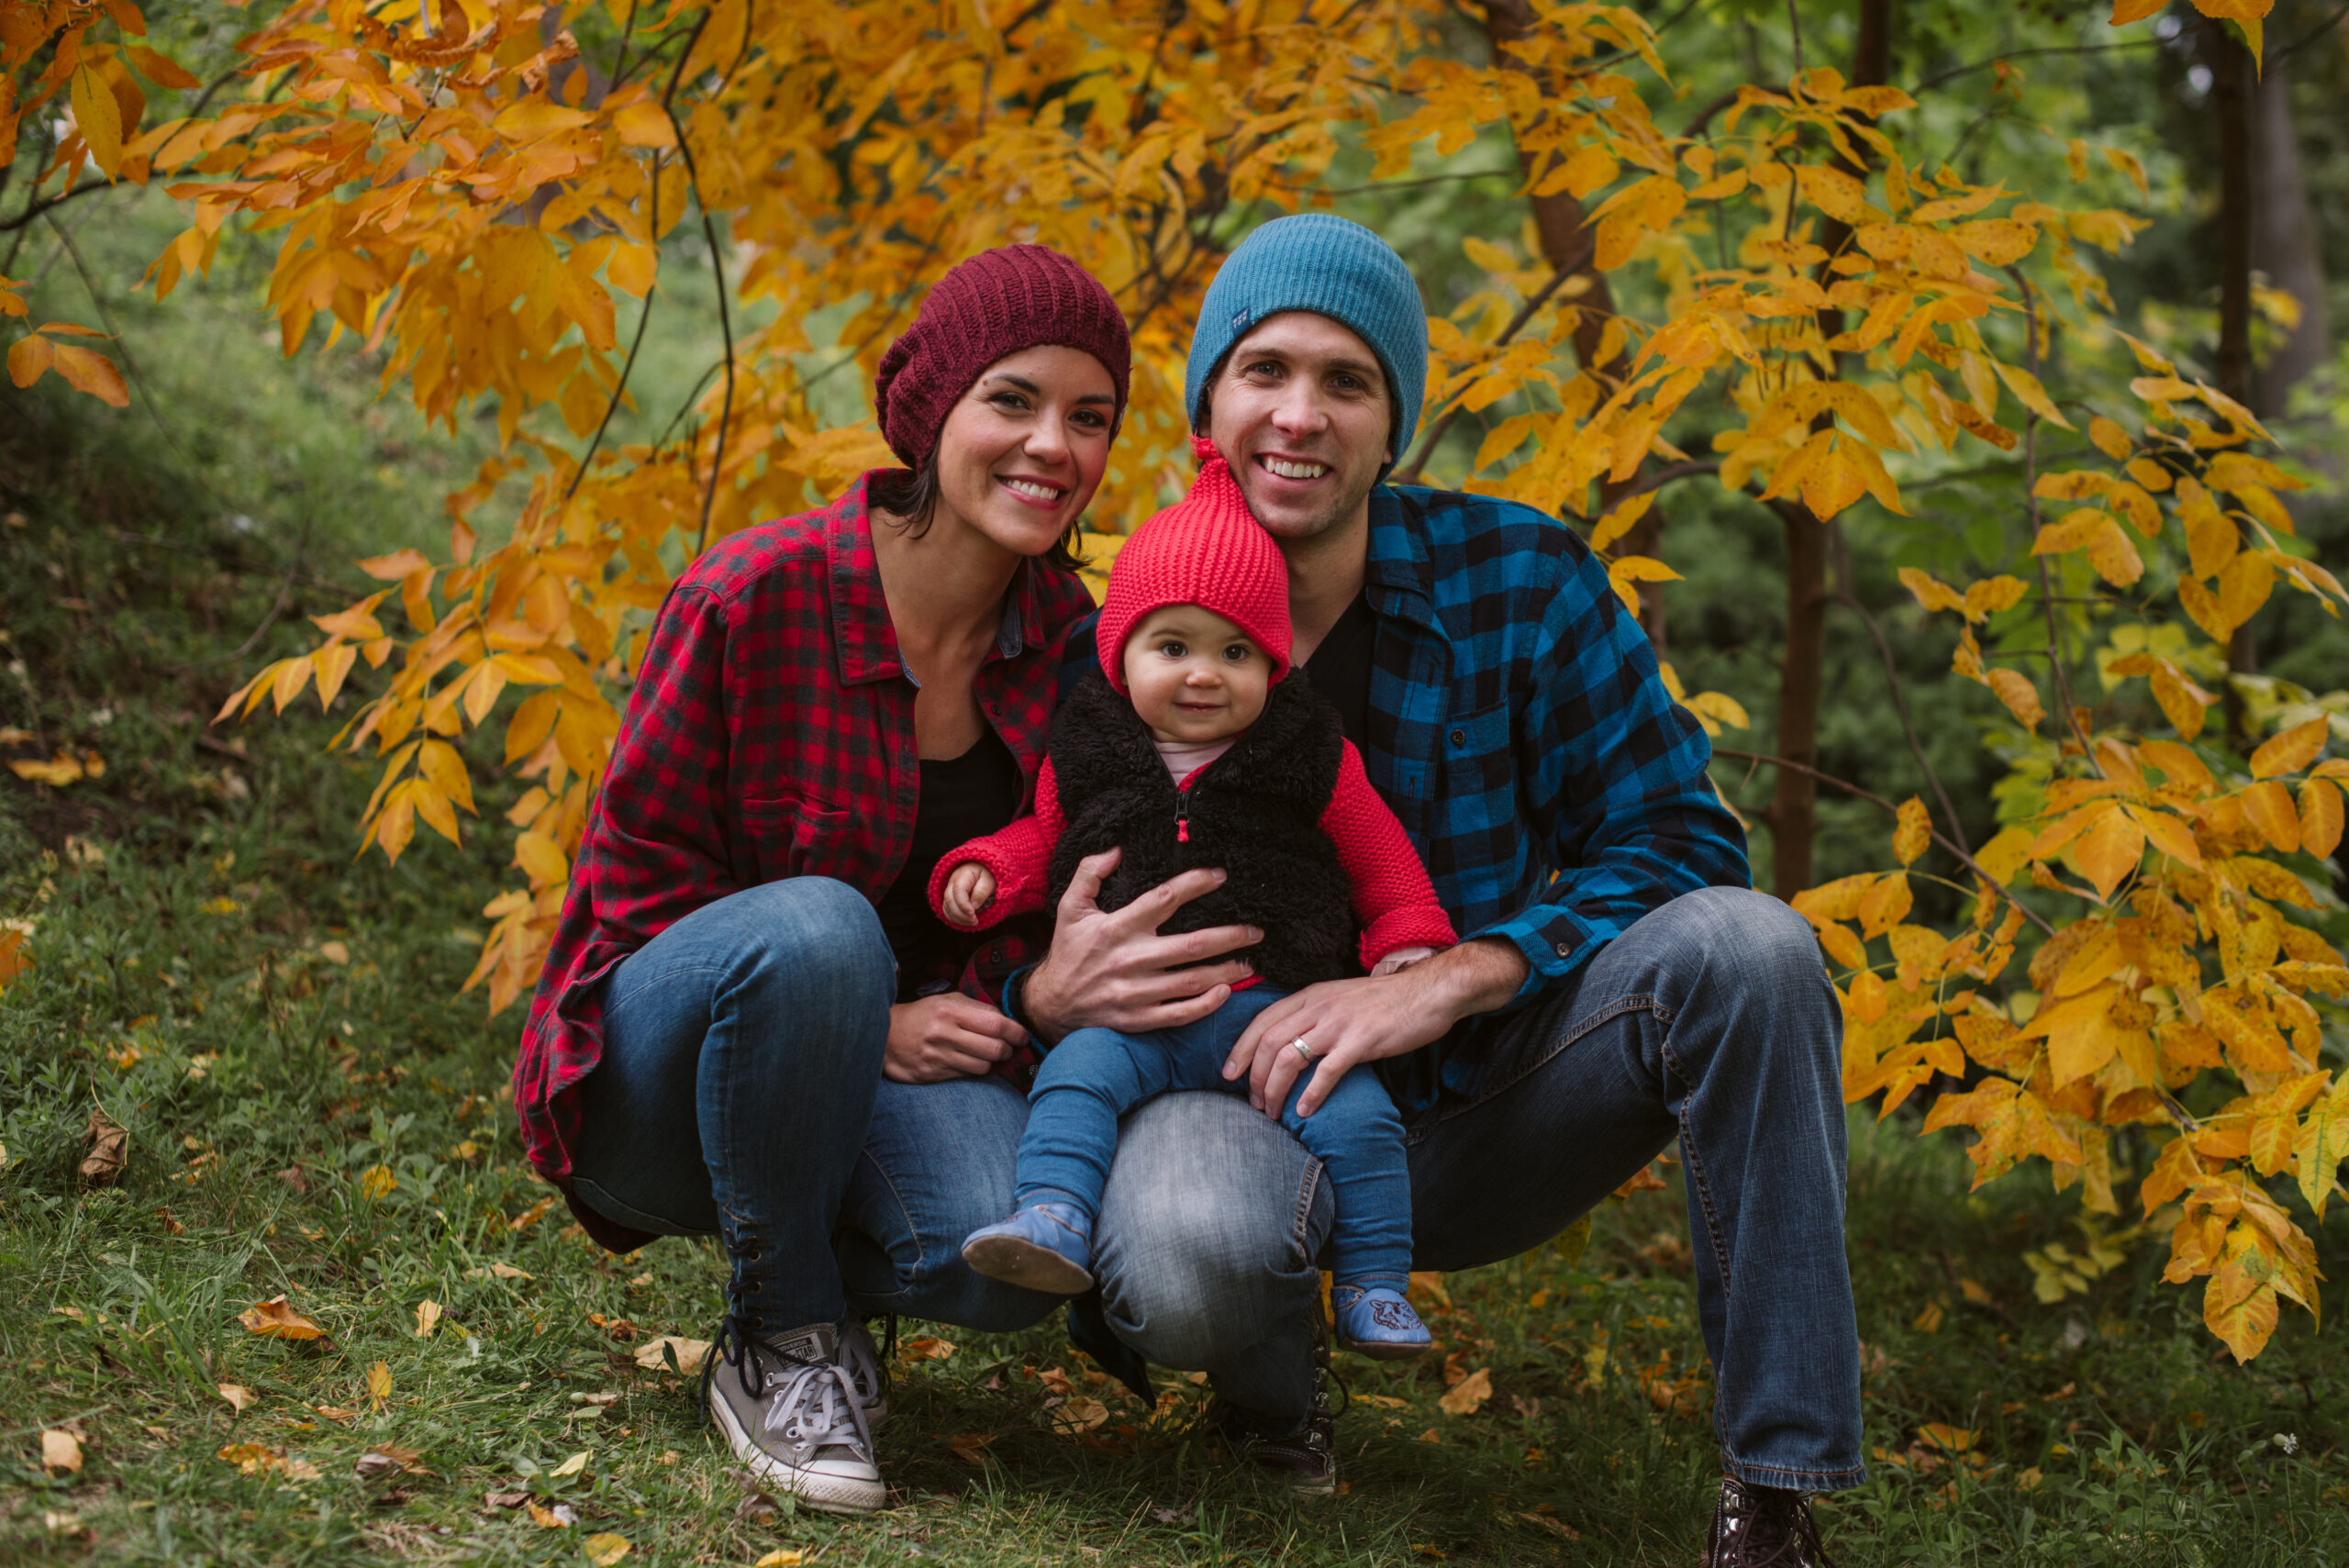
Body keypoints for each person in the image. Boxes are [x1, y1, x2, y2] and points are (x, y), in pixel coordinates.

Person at [995, 215, 1860, 1565]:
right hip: (1234, 1086)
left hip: (1484, 1100)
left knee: (1754, 950)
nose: (1301, 413)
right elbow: (1000, 875)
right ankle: (1271, 1381)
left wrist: (1465, 970)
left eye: (1349, 382)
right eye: (1266, 370)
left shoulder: (1525, 579)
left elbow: (1685, 840)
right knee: (1181, 1262)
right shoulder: (1123, 623)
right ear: (1206, 410)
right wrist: (1045, 988)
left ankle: (1778, 1496)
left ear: (1395, 424)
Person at [509, 245, 1135, 1516]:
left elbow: (1039, 911)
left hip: (879, 1088)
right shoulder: (755, 594)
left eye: (1090, 417)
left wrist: (1023, 998)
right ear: (934, 413)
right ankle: (780, 1333)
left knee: (1006, 1258)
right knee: (820, 930)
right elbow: (632, 897)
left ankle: (817, 1277)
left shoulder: (1080, 654)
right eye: (1012, 400)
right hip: (664, 1077)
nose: (1051, 446)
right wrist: (863, 1011)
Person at [930, 438, 1457, 1357]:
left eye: (1235, 651)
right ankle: (1051, 1215)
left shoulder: (1307, 754)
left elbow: (1382, 861)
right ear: (1120, 654)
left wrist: (1408, 941)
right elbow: (1044, 835)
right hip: (1132, 1019)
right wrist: (986, 869)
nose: (1203, 673)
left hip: (1269, 1010)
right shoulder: (1091, 747)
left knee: (1358, 1113)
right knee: (1072, 1080)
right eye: (1171, 646)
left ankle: (1374, 1281)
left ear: (1273, 665)